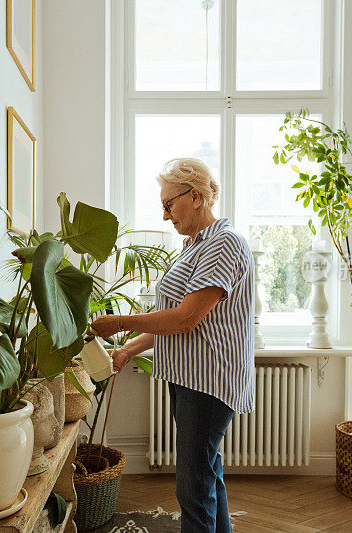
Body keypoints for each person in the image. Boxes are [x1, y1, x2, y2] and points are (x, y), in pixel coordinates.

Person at [90, 157, 255, 533]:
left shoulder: (224, 243)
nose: (165, 215)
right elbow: (173, 319)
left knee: (193, 486)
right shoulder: (194, 246)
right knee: (207, 473)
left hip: (208, 380)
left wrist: (119, 322)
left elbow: (185, 318)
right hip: (189, 376)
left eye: (169, 205)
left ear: (195, 196)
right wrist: (129, 348)